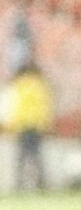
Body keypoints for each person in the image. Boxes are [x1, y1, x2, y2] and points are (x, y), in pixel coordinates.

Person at [0, 53, 51, 190]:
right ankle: (41, 184)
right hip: (35, 125)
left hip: (23, 125)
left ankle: (20, 185)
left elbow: (13, 106)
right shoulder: (40, 85)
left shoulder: (18, 85)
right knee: (36, 157)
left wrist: (11, 125)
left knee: (22, 158)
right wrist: (44, 124)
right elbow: (45, 107)